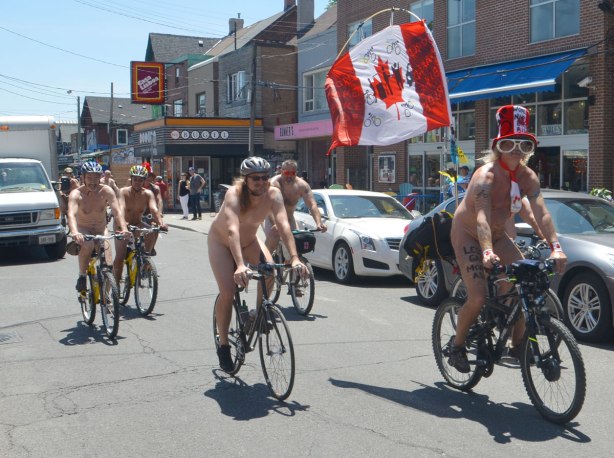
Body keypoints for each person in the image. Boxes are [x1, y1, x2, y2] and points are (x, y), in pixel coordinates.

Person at [447, 105, 567, 373]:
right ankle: (457, 345)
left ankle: (516, 345)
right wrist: (487, 252)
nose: (516, 149)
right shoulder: (485, 175)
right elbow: (480, 218)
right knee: (477, 298)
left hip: (498, 234)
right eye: (509, 142)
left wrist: (555, 247)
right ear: (498, 145)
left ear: (530, 149)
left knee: (525, 284)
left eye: (524, 144)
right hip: (468, 234)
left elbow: (541, 213)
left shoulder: (527, 177)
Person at [208, 157, 307, 372]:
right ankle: (223, 345)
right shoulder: (234, 194)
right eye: (255, 179)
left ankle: (257, 315)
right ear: (245, 180)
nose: (261, 182)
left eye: (264, 177)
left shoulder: (273, 194)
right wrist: (240, 265)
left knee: (270, 271)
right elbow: (233, 230)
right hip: (222, 243)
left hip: (250, 241)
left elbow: (283, 225)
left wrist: (295, 257)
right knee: (227, 291)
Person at [67, 162, 128, 291]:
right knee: (88, 245)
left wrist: (124, 229)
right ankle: (82, 276)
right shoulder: (76, 194)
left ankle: (107, 298)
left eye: (96, 178)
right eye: (89, 178)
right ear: (82, 177)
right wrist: (74, 232)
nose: (93, 182)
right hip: (83, 229)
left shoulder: (106, 190)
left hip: (101, 229)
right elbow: (71, 214)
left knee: (108, 264)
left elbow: (117, 211)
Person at [112, 165, 168, 283]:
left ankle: (145, 259)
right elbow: (121, 209)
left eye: (140, 180)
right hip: (121, 225)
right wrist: (123, 225)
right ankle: (116, 285)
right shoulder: (123, 192)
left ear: (144, 180)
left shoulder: (148, 193)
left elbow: (154, 209)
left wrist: (161, 223)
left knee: (151, 232)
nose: (137, 182)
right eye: (135, 179)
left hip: (137, 224)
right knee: (120, 256)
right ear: (131, 179)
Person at [263, 159, 327, 254]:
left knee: (296, 245)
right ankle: (265, 262)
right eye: (286, 172)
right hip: (271, 218)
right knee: (274, 237)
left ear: (296, 173)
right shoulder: (274, 184)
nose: (289, 176)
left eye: (292, 173)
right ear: (281, 171)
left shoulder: (302, 186)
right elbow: (269, 207)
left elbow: (312, 205)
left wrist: (319, 223)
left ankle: (292, 264)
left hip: (289, 219)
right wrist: (275, 224)